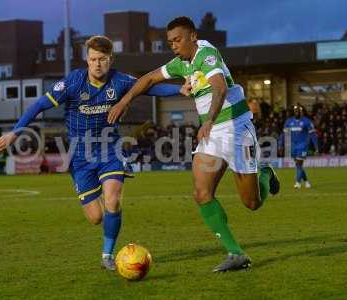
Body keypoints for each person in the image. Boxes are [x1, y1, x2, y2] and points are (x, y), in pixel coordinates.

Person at [0, 35, 182, 270]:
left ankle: (107, 256)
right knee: (96, 218)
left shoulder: (120, 81)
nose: (97, 64)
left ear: (110, 59)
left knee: (113, 199)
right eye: (92, 59)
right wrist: (15, 132)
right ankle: (99, 198)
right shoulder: (73, 82)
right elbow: (40, 105)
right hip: (79, 156)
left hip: (110, 150)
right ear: (87, 60)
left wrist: (180, 89)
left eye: (102, 59)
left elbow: (150, 87)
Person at [108, 16, 280, 272]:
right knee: (201, 193)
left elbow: (220, 88)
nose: (173, 45)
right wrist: (124, 101)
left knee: (251, 203)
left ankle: (265, 174)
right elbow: (148, 79)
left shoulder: (206, 54)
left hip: (236, 128)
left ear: (192, 37)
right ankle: (235, 253)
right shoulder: (182, 63)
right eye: (170, 42)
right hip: (211, 135)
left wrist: (209, 119)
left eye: (177, 40)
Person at [282, 104, 318, 188]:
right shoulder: (288, 121)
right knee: (298, 165)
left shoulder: (306, 121)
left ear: (301, 112)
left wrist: (316, 146)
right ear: (294, 112)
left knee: (299, 163)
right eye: (295, 110)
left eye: (298, 110)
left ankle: (298, 183)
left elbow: (313, 134)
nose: (297, 112)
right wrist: (282, 144)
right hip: (293, 146)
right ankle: (306, 181)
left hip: (303, 146)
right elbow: (285, 134)